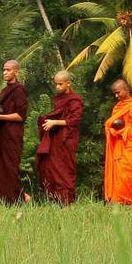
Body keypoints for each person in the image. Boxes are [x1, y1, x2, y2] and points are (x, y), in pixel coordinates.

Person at [0, 60, 29, 204]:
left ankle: (20, 198)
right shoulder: (5, 91)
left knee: (11, 168)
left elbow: (20, 116)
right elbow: (0, 104)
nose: (5, 72)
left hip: (13, 134)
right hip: (2, 134)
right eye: (4, 69)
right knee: (1, 168)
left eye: (8, 70)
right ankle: (7, 200)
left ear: (16, 72)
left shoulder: (19, 90)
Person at [36, 70, 83, 205]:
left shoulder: (75, 100)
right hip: (57, 139)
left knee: (65, 170)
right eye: (56, 84)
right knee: (51, 167)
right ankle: (56, 200)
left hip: (67, 139)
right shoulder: (58, 98)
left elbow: (75, 120)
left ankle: (68, 202)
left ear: (68, 83)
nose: (57, 87)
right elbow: (58, 114)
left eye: (60, 84)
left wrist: (54, 122)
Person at [103, 79, 132, 206]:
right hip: (118, 146)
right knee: (118, 175)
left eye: (118, 92)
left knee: (128, 175)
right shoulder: (117, 107)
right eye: (114, 94)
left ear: (126, 90)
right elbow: (111, 124)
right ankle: (120, 201)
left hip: (130, 146)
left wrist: (120, 132)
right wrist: (112, 130)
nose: (116, 96)